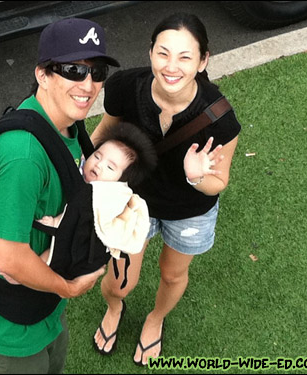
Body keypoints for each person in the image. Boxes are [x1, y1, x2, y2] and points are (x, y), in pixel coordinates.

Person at [0, 18, 120, 374]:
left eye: (97, 73)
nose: (89, 85)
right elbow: (8, 257)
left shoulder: (67, 122)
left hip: (44, 311)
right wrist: (68, 288)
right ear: (43, 75)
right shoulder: (24, 155)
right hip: (10, 332)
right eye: (73, 70)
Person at [91, 13, 241, 366]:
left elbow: (218, 183)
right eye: (163, 53)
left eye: (185, 57)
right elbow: (104, 132)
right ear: (150, 53)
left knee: (173, 274)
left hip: (188, 208)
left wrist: (196, 176)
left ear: (203, 61)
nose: (171, 67)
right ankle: (115, 308)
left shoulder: (220, 119)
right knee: (119, 284)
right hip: (131, 201)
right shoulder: (125, 87)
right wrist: (86, 169)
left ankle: (155, 319)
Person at [0, 121, 158, 283]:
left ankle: (20, 276)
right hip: (81, 240)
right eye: (97, 156)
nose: (99, 164)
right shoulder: (84, 171)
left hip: (82, 246)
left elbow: (80, 213)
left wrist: (55, 222)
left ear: (120, 181)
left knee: (52, 255)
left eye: (110, 168)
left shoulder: (109, 196)